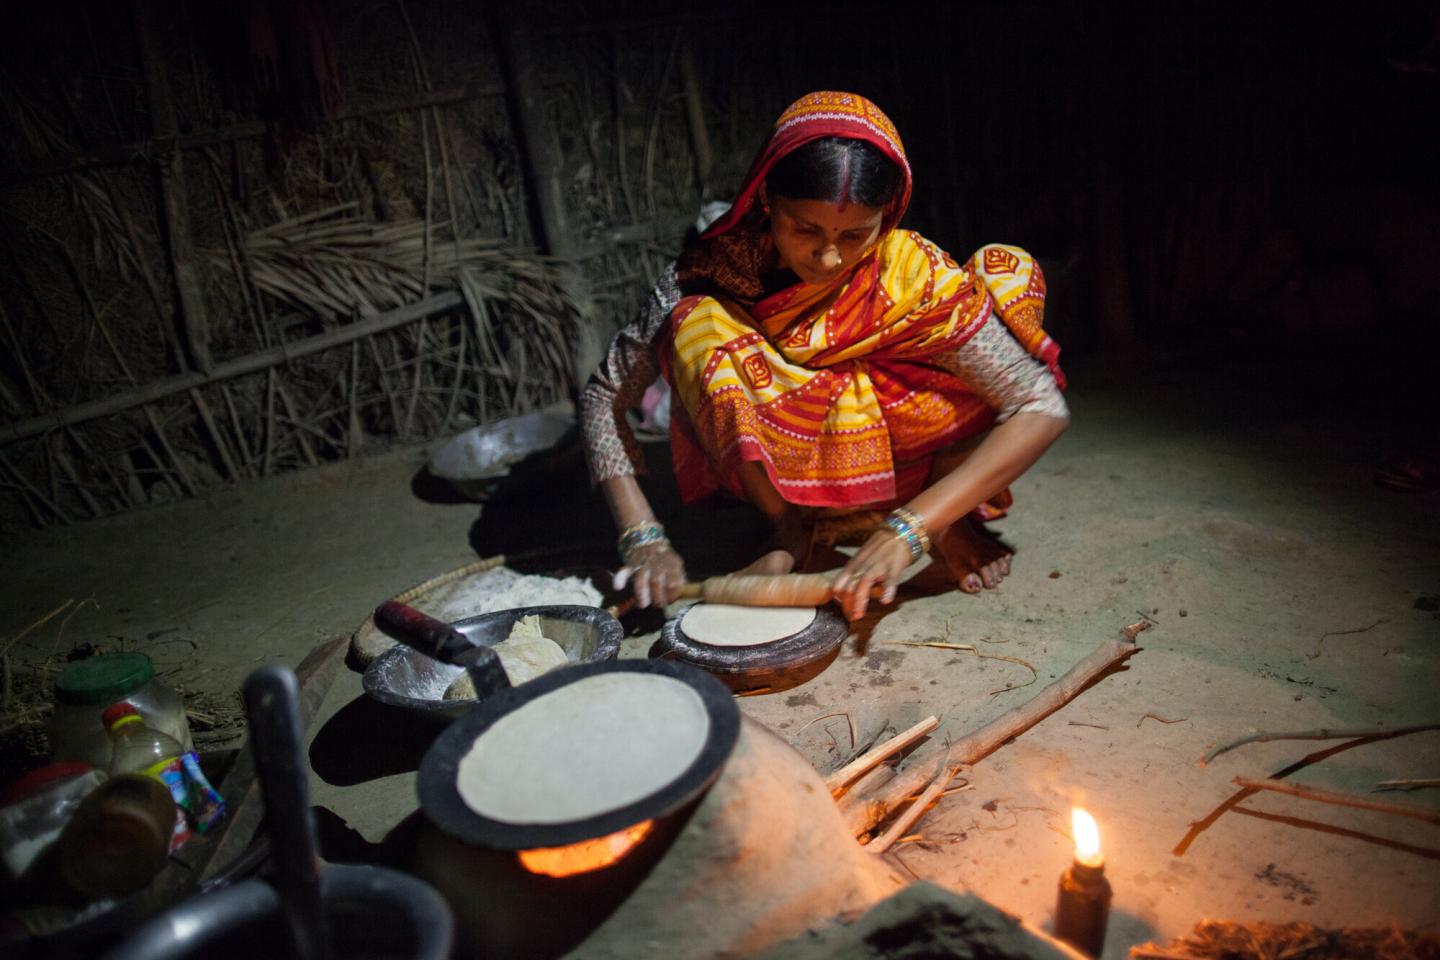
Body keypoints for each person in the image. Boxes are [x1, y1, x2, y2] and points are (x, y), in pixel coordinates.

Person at [580, 91, 1069, 621]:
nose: (829, 256)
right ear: (767, 198)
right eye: (804, 229)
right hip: (789, 467)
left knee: (993, 301)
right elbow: (604, 396)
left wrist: (911, 528)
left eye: (856, 234)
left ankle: (948, 515)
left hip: (908, 460)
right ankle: (788, 525)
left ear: (889, 212)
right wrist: (643, 537)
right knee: (699, 328)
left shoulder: (912, 276)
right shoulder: (709, 272)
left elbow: (1040, 405)